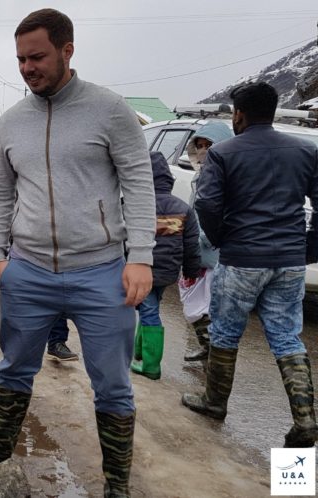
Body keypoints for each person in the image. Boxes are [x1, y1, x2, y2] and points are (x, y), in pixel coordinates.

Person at [0, 10, 155, 496]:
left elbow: (139, 182)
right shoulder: (14, 121)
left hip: (102, 272)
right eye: (21, 58)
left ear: (67, 50)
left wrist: (141, 255)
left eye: (37, 56)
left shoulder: (109, 110)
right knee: (14, 370)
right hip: (28, 272)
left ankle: (116, 485)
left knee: (112, 383)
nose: (27, 67)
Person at [182, 81, 318, 449]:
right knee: (287, 336)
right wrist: (308, 247)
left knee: (226, 334)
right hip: (289, 261)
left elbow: (207, 205)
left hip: (242, 259)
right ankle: (305, 420)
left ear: (238, 114)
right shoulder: (306, 151)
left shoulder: (224, 154)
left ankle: (214, 403)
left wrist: (224, 239)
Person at [130, 151, 201, 380]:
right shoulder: (183, 209)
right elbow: (192, 245)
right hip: (168, 271)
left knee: (148, 310)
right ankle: (139, 351)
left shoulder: (136, 206)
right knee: (150, 307)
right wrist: (191, 272)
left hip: (143, 270)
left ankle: (151, 365)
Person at [180, 121, 234, 362]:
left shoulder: (228, 176)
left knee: (207, 305)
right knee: (193, 300)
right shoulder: (201, 174)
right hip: (198, 249)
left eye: (208, 145)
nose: (203, 150)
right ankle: (207, 347)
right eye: (199, 145)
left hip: (214, 250)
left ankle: (213, 354)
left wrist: (204, 237)